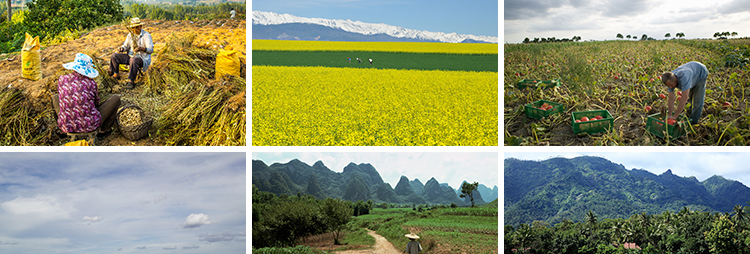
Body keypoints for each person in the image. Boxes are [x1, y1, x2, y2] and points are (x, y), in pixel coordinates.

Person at [53, 53, 121, 138]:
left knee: (55, 97)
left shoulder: (62, 79)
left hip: (67, 126)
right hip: (89, 125)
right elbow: (96, 103)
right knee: (116, 98)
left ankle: (62, 130)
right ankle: (104, 130)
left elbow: (62, 97)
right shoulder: (91, 83)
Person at [109, 17, 154, 90]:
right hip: (130, 56)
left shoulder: (146, 35)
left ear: (140, 26)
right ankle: (116, 74)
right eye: (133, 28)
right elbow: (126, 46)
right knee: (114, 56)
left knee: (134, 60)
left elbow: (150, 50)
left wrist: (142, 48)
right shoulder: (130, 35)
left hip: (141, 58)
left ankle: (131, 80)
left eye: (136, 27)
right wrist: (122, 49)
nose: (135, 29)